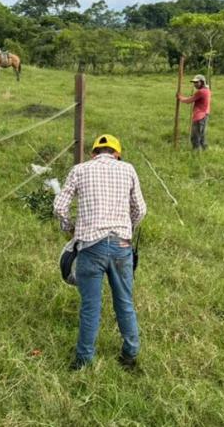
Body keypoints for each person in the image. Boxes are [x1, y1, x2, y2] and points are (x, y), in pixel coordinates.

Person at [53, 134, 147, 370]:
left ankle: (84, 360)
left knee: (90, 307)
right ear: (116, 154)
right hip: (121, 247)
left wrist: (71, 228)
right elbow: (141, 209)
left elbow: (59, 207)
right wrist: (127, 229)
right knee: (124, 302)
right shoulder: (128, 169)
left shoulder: (79, 170)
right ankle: (130, 354)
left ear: (94, 153)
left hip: (89, 247)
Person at [177, 74, 212, 150]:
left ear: (202, 82)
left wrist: (180, 97)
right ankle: (204, 150)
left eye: (197, 82)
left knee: (195, 136)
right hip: (205, 115)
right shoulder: (207, 90)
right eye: (194, 82)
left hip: (199, 116)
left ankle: (196, 154)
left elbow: (188, 101)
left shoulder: (201, 92)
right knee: (202, 135)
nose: (195, 84)